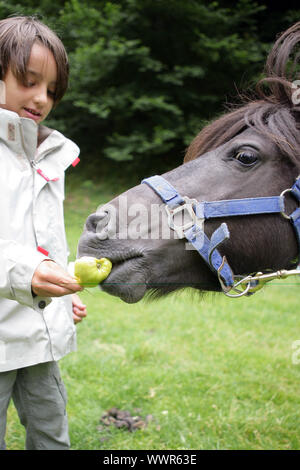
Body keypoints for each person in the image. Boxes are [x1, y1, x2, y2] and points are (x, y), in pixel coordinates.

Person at [0, 15, 87, 450]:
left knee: (52, 436)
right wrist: (25, 274)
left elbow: (47, 241)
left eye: (51, 90)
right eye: (28, 81)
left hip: (38, 336)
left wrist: (64, 291)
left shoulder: (51, 153)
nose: (41, 98)